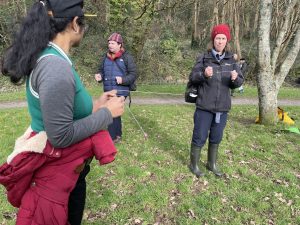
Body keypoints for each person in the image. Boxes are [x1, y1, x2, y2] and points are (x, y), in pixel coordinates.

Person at [0, 0, 125, 224]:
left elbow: (64, 110)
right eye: (84, 24)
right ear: (75, 24)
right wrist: (107, 114)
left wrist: (96, 105)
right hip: (56, 179)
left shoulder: (51, 57)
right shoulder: (55, 67)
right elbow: (60, 135)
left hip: (65, 174)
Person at [188, 24, 244, 177]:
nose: (220, 41)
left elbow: (239, 82)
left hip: (222, 107)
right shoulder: (204, 58)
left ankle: (211, 163)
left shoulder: (231, 60)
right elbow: (193, 77)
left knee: (216, 136)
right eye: (217, 38)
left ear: (227, 41)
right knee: (199, 136)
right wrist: (203, 74)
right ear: (213, 40)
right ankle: (194, 164)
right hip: (204, 106)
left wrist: (235, 78)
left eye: (223, 38)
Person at [95, 32, 137, 143]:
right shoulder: (105, 57)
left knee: (111, 111)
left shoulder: (127, 57)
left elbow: (133, 74)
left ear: (119, 45)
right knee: (115, 113)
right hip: (108, 90)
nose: (110, 45)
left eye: (113, 43)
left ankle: (112, 137)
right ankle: (117, 135)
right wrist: (99, 76)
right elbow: (101, 70)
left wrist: (123, 80)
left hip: (121, 90)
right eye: (109, 43)